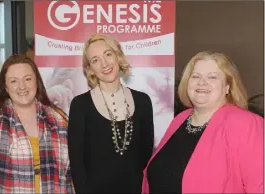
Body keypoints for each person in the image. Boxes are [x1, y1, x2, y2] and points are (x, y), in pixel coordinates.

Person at [143, 51, 264, 193]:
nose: (202, 82)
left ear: (227, 87)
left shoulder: (246, 124)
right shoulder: (180, 119)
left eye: (212, 77)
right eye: (195, 76)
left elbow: (259, 186)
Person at [68, 34, 154, 193]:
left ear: (117, 55)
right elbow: (77, 164)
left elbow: (145, 153)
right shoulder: (80, 105)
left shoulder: (143, 101)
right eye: (95, 60)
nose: (104, 64)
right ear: (90, 69)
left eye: (108, 54)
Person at [0, 54, 73, 193]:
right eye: (14, 81)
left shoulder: (60, 119)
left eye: (27, 79)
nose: (22, 87)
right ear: (6, 87)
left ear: (36, 82)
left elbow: (73, 170)